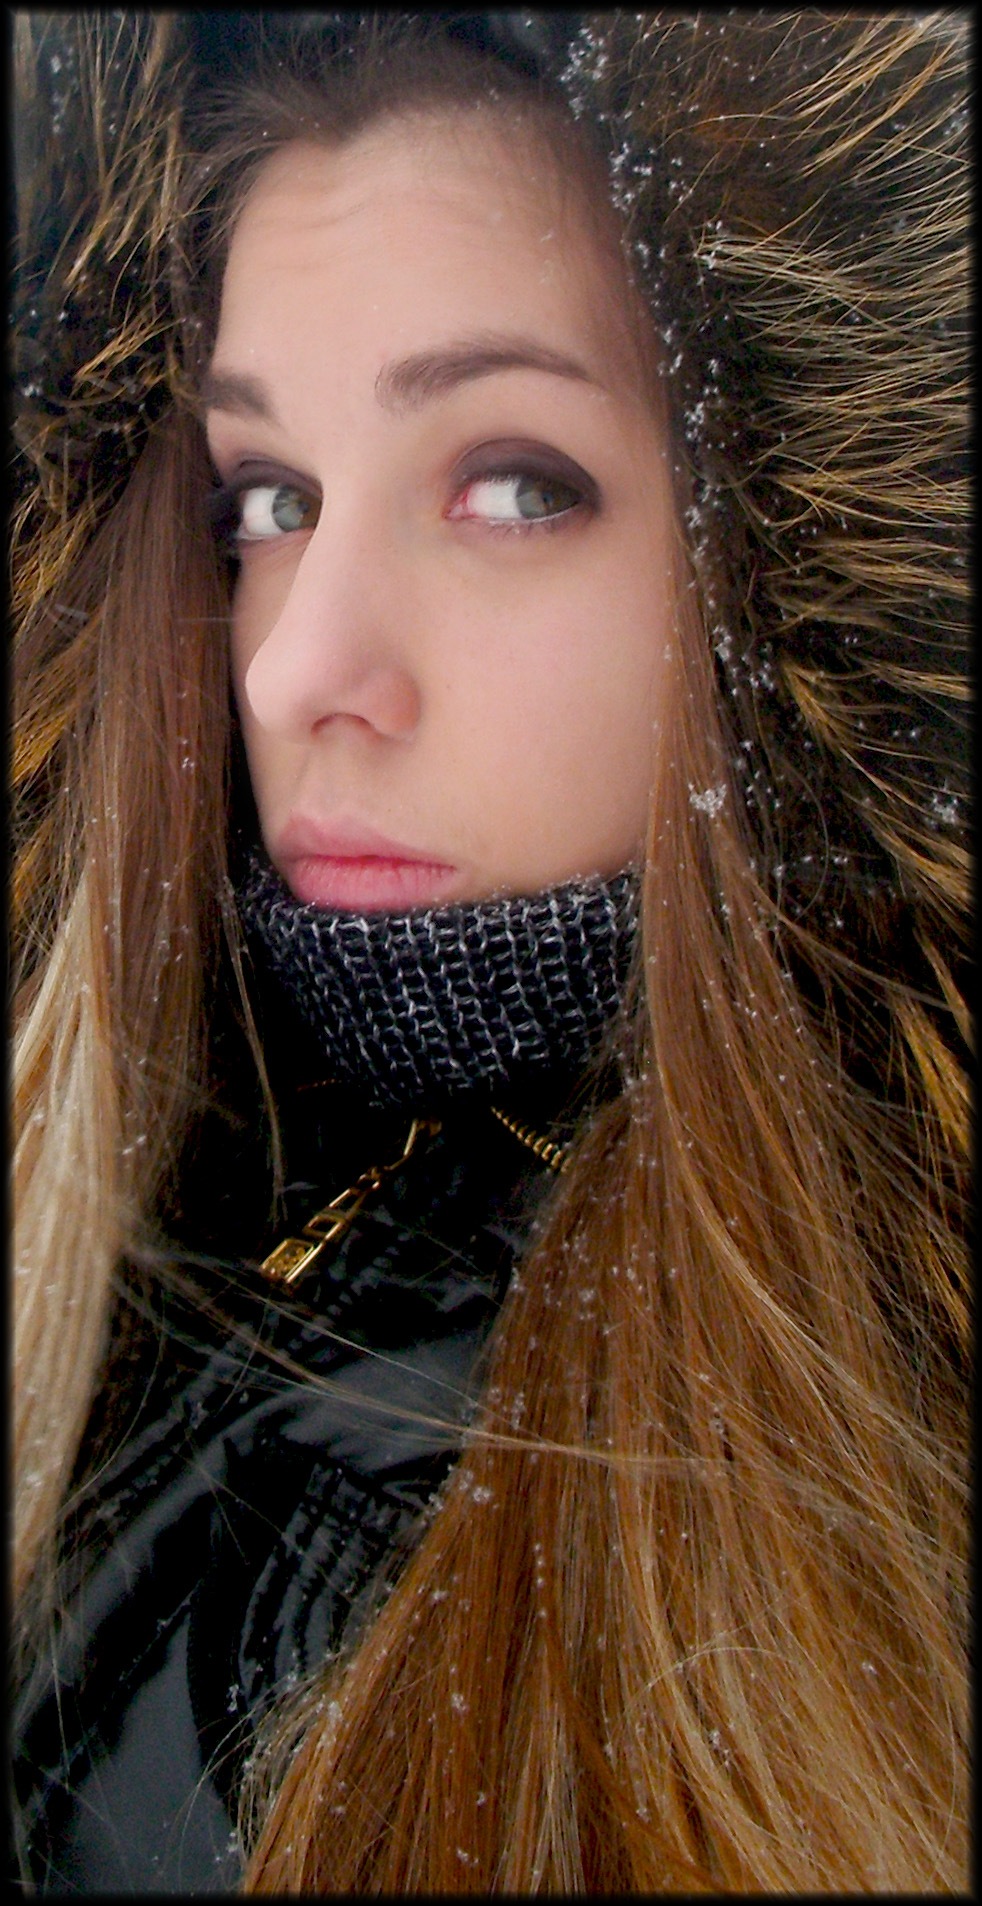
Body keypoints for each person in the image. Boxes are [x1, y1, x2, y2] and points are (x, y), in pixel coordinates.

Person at [10, 10, 969, 1894]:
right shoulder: (129, 1207)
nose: (297, 668)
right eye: (264, 501)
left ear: (788, 576)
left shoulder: (843, 1470)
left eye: (515, 483)